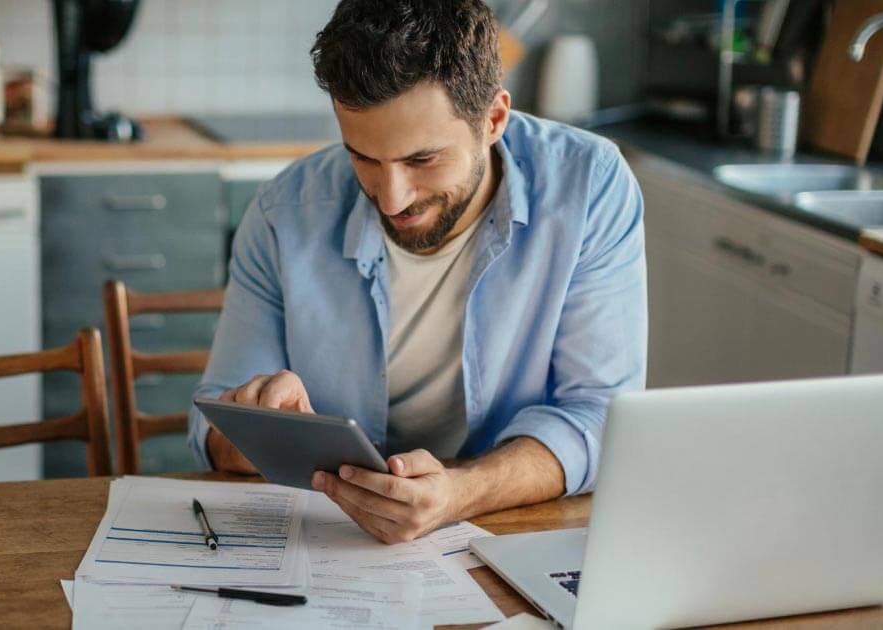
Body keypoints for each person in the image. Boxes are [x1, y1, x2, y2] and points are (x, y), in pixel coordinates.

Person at [187, 0, 647, 544]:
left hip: (507, 528)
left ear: (493, 119)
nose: (390, 198)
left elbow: (600, 416)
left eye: (422, 160)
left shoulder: (589, 187)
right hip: (333, 538)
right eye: (362, 157)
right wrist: (261, 423)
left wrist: (459, 491)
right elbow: (213, 432)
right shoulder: (282, 214)